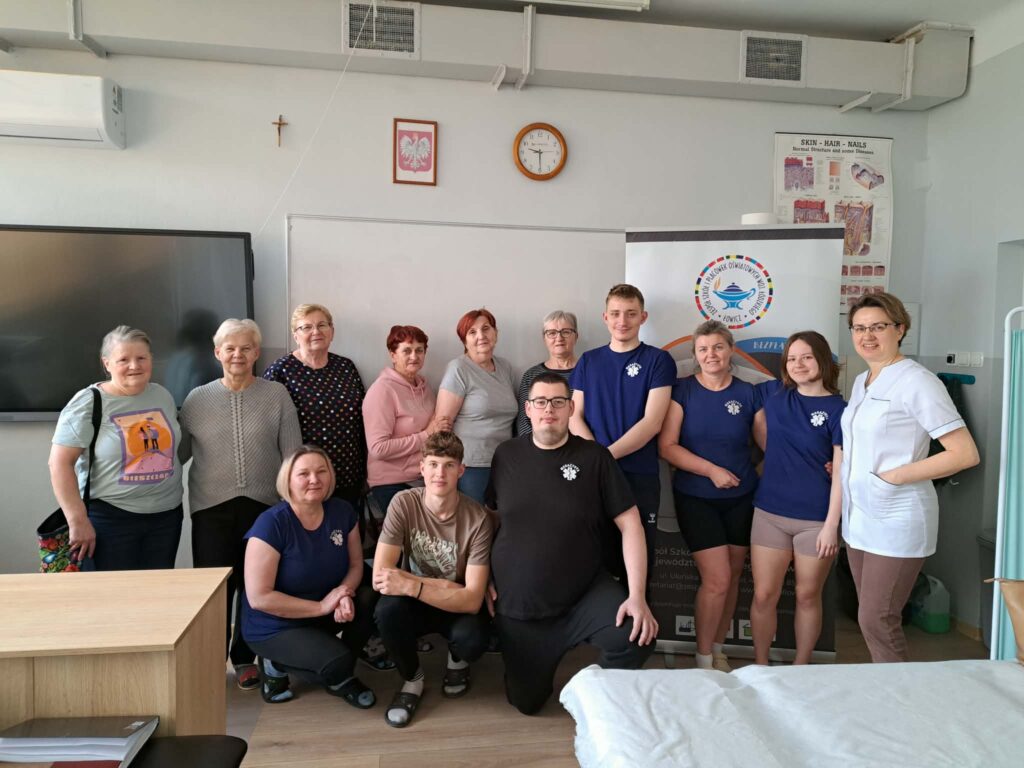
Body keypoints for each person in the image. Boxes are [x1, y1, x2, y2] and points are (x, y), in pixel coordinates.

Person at [487, 372, 658, 715]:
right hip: (523, 604)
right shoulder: (506, 454)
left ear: (570, 408)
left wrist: (637, 596)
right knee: (527, 703)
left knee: (637, 636)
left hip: (585, 595)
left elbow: (631, 524)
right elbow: (488, 519)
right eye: (540, 402)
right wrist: (483, 577)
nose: (548, 409)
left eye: (557, 401)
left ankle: (591, 694)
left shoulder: (595, 458)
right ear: (528, 410)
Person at [841, 293, 979, 662]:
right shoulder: (862, 380)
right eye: (859, 328)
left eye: (878, 326)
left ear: (900, 329)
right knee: (868, 617)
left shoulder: (918, 381)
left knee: (878, 619)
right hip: (858, 517)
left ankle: (900, 693)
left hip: (897, 515)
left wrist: (893, 476)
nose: (867, 335)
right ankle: (886, 686)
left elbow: (964, 453)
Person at [178, 318, 302, 690]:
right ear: (217, 352)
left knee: (255, 587)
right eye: (230, 348)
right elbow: (177, 455)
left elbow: (292, 455)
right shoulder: (196, 399)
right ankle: (210, 660)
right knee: (214, 589)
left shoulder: (276, 395)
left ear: (256, 352)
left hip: (265, 508)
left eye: (246, 348)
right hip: (211, 508)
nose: (238, 355)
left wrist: (293, 506)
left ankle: (245, 657)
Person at [658, 320, 761, 672]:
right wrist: (711, 471)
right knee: (717, 579)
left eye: (718, 347)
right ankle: (703, 660)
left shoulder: (749, 393)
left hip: (742, 498)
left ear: (731, 350)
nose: (711, 354)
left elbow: (771, 445)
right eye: (703, 349)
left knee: (732, 577)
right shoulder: (682, 391)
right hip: (696, 497)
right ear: (695, 355)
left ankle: (718, 650)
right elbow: (667, 447)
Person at [372, 432, 494, 728]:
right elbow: (381, 576)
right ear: (422, 468)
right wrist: (447, 587)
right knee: (386, 611)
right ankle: (412, 679)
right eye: (434, 464)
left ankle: (457, 657)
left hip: (455, 607)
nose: (440, 473)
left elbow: (472, 600)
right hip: (426, 600)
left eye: (449, 465)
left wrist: (412, 583)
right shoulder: (404, 503)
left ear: (461, 470)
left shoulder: (477, 519)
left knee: (474, 640)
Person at [241, 445, 377, 707]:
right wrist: (322, 606)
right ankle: (276, 664)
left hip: (323, 610)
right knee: (338, 662)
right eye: (304, 474)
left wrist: (344, 594)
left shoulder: (342, 511)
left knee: (370, 595)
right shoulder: (271, 524)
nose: (314, 479)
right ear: (288, 481)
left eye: (321, 471)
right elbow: (259, 598)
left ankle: (338, 664)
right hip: (275, 625)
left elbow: (355, 565)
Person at [49, 325, 183, 571]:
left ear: (151, 359)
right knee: (113, 593)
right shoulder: (88, 402)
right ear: (107, 363)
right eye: (123, 360)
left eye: (141, 358)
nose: (134, 365)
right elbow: (59, 463)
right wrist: (77, 520)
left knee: (158, 591)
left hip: (166, 517)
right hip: (110, 520)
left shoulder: (162, 395)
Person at [749, 331, 845, 665]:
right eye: (792, 358)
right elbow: (730, 382)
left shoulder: (840, 410)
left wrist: (831, 526)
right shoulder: (774, 394)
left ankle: (800, 667)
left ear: (823, 360)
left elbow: (842, 473)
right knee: (764, 595)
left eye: (806, 357)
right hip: (769, 512)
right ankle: (761, 665)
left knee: (807, 595)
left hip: (816, 519)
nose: (798, 364)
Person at [569, 284, 674, 573]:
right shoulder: (588, 361)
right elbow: (574, 416)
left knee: (638, 564)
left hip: (639, 474)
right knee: (592, 557)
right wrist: (597, 458)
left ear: (643, 317)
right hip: (593, 475)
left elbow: (652, 423)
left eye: (631, 313)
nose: (622, 321)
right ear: (605, 317)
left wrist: (604, 457)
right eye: (615, 313)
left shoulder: (658, 360)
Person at [264, 304, 367, 504]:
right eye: (306, 327)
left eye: (322, 325)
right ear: (295, 335)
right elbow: (268, 429)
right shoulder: (280, 371)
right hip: (306, 480)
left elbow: (363, 419)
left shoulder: (346, 367)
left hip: (349, 473)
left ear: (332, 331)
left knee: (347, 524)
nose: (316, 332)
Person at [362, 325, 450, 516]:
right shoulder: (382, 391)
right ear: (393, 355)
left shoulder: (425, 388)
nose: (414, 356)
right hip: (391, 482)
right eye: (407, 351)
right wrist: (426, 435)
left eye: (419, 350)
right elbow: (378, 449)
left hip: (423, 478)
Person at [435, 308, 518, 503]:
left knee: (502, 516)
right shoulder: (458, 368)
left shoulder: (505, 367)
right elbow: (442, 425)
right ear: (465, 341)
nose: (481, 336)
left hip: (504, 461)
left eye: (486, 329)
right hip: (471, 465)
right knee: (475, 518)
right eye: (472, 332)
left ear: (495, 333)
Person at [516, 310, 579, 437]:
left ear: (576, 336)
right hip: (541, 446)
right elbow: (524, 422)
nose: (559, 338)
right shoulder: (531, 376)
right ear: (544, 339)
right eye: (552, 333)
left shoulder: (590, 372)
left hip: (583, 445)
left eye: (566, 332)